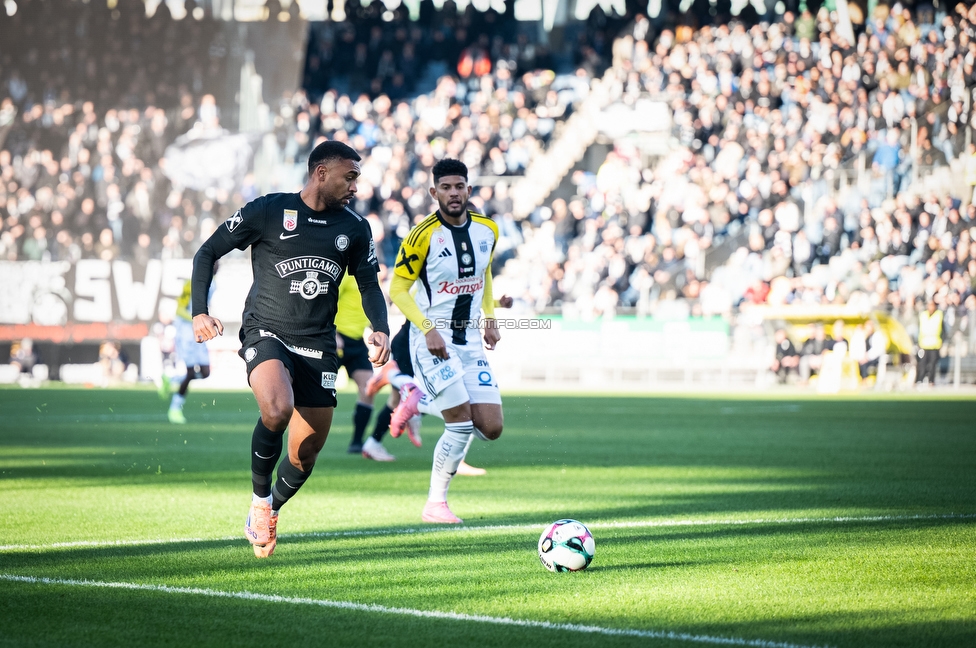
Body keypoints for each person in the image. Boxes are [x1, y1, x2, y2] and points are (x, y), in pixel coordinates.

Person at [191, 140, 390, 558]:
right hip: (267, 332)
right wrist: (199, 312)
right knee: (277, 409)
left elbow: (370, 283)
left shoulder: (354, 228)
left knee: (305, 455)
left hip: (318, 343)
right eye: (349, 176)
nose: (355, 185)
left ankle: (272, 508)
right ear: (321, 173)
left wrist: (380, 329)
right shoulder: (266, 210)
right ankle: (260, 501)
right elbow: (208, 251)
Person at [387, 158, 503, 524]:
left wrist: (490, 319)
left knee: (491, 428)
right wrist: (426, 328)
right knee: (460, 423)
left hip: (469, 340)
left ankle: (416, 400)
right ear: (434, 192)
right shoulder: (421, 235)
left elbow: (483, 277)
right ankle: (435, 504)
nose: (454, 194)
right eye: (446, 188)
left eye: (460, 187)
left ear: (469, 190)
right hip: (431, 340)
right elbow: (398, 289)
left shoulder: (488, 230)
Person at [336, 272, 396, 461]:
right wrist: (331, 331)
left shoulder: (368, 273)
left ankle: (356, 442)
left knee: (368, 389)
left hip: (355, 341)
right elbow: (328, 301)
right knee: (316, 391)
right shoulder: (344, 274)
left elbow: (369, 303)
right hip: (335, 338)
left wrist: (376, 328)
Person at [166, 277, 212, 424]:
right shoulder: (191, 283)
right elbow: (179, 309)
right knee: (191, 372)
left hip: (199, 331)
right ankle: (174, 408)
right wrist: (197, 318)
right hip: (186, 332)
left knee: (205, 372)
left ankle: (171, 379)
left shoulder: (214, 283)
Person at [916, 299, 944, 386]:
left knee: (932, 364)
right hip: (924, 344)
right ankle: (920, 380)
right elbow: (919, 329)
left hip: (934, 344)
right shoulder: (923, 315)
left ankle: (931, 381)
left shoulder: (939, 315)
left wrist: (942, 341)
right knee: (922, 364)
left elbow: (943, 330)